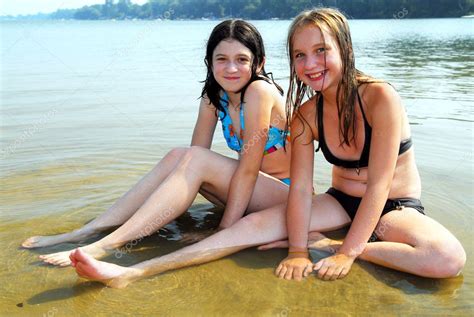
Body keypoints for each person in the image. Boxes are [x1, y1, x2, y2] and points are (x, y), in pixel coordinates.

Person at [67, 8, 465, 288]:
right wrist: (295, 249)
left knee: (447, 258)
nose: (310, 64)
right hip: (340, 200)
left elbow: (379, 186)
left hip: (393, 205)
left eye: (321, 51)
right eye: (299, 55)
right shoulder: (306, 114)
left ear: (344, 47)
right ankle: (133, 272)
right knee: (249, 227)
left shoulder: (380, 97)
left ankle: (332, 243)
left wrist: (344, 251)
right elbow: (302, 190)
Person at [22, 19, 291, 266]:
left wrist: (223, 231)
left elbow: (247, 169)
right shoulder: (214, 96)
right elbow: (192, 155)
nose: (231, 68)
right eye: (221, 59)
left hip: (284, 196)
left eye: (241, 59)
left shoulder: (259, 91)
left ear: (258, 62)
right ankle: (89, 230)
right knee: (180, 155)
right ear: (209, 62)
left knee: (194, 158)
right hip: (249, 194)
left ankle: (106, 245)